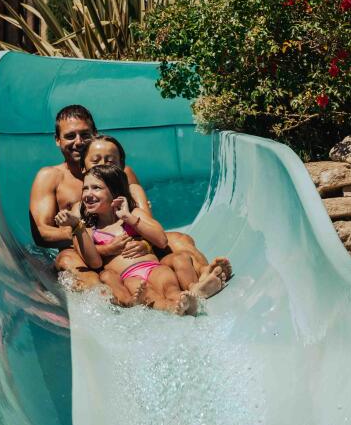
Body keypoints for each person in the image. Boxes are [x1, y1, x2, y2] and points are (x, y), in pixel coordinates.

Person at [29, 105, 224, 291]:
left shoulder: (123, 173)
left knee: (180, 239)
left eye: (85, 134)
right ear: (58, 140)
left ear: (95, 134)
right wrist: (92, 238)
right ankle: (102, 298)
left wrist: (143, 243)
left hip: (131, 245)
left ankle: (206, 275)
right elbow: (42, 233)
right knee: (66, 259)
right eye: (70, 136)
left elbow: (146, 220)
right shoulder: (51, 177)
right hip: (85, 252)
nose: (78, 142)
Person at [54, 165, 226, 315]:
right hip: (128, 276)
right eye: (85, 188)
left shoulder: (133, 214)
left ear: (115, 192)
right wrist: (76, 226)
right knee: (147, 293)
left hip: (154, 267)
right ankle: (171, 307)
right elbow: (94, 262)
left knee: (172, 281)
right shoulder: (90, 230)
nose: (88, 194)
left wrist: (128, 217)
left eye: (96, 188)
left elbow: (161, 240)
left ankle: (193, 292)